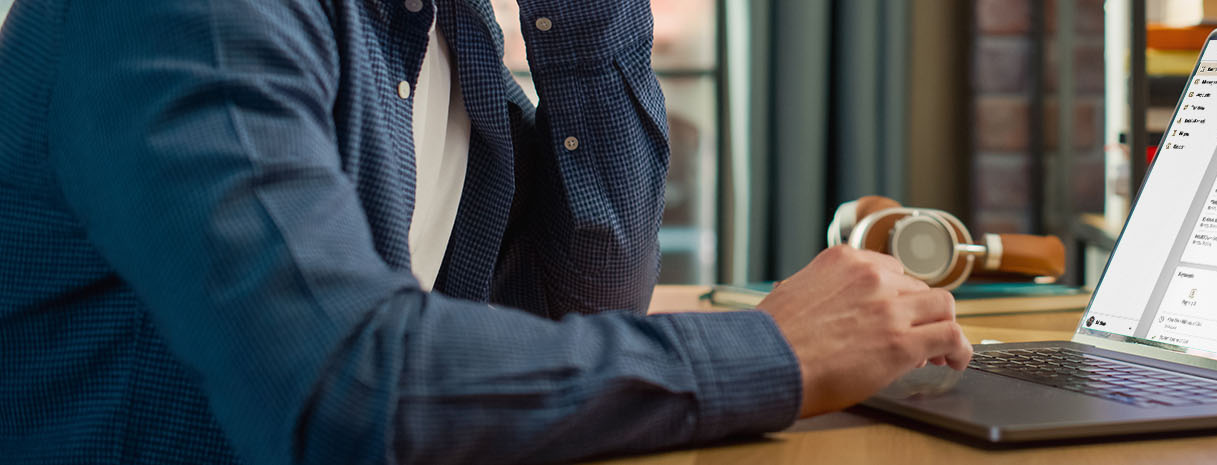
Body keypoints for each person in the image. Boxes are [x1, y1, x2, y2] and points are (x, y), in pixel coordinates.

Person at [0, 1, 972, 464]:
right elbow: (343, 385)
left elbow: (576, 307)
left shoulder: (436, 30)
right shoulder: (191, 14)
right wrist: (774, 351)